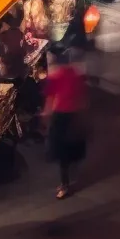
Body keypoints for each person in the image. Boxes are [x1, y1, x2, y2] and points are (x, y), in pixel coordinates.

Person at [42, 51, 87, 199]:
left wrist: (46, 116)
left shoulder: (55, 76)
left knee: (62, 153)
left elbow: (50, 99)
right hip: (75, 115)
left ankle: (65, 185)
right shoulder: (76, 74)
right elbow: (82, 96)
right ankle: (67, 180)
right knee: (70, 149)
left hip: (61, 117)